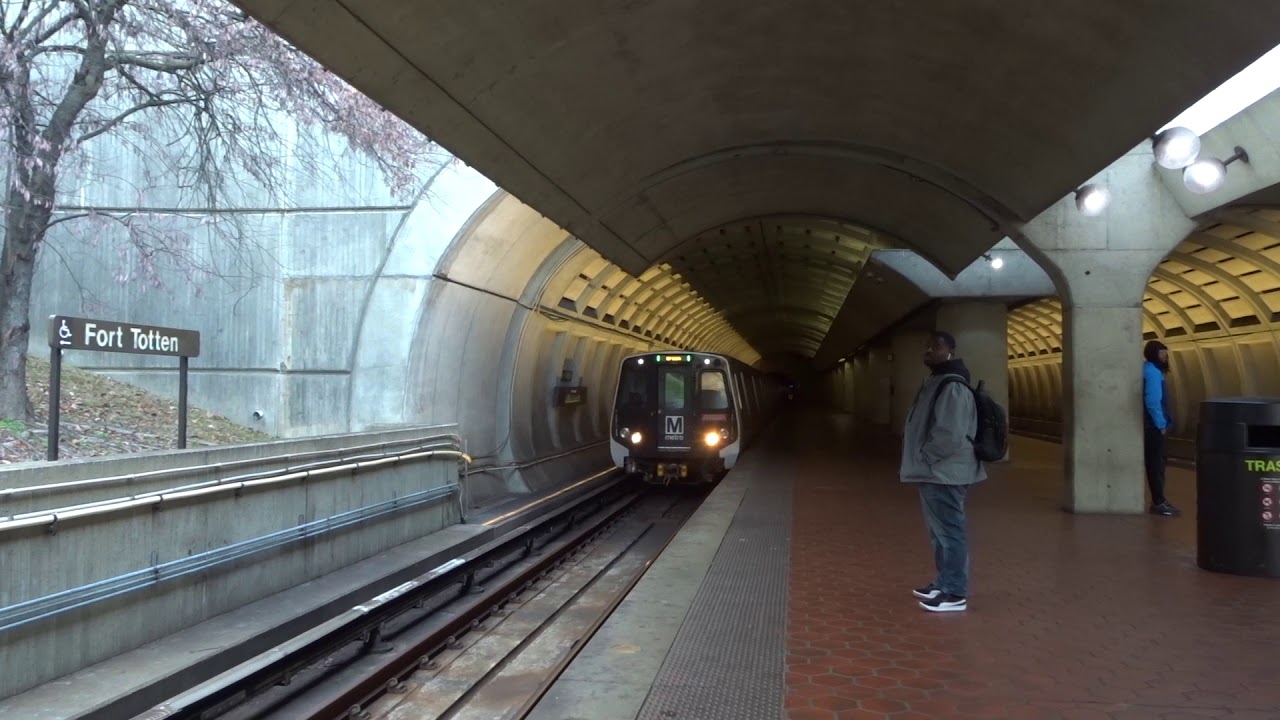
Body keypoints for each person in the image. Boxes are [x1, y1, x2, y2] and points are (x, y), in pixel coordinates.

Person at [900, 331, 987, 613]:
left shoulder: (952, 386)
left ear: (950, 350)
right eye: (926, 346)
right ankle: (943, 581)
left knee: (950, 532)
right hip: (936, 471)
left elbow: (949, 434)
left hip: (946, 472)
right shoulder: (937, 382)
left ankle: (955, 592)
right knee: (939, 532)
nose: (928, 350)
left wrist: (926, 457)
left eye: (935, 346)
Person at [1143, 340, 1180, 517]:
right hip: (1153, 427)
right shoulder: (1153, 372)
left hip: (1150, 426)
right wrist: (1161, 424)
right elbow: (1152, 401)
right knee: (1156, 465)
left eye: (1166, 353)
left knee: (1155, 464)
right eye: (1162, 353)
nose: (1166, 356)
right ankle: (1159, 502)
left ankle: (1159, 500)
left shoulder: (1149, 370)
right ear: (1154, 354)